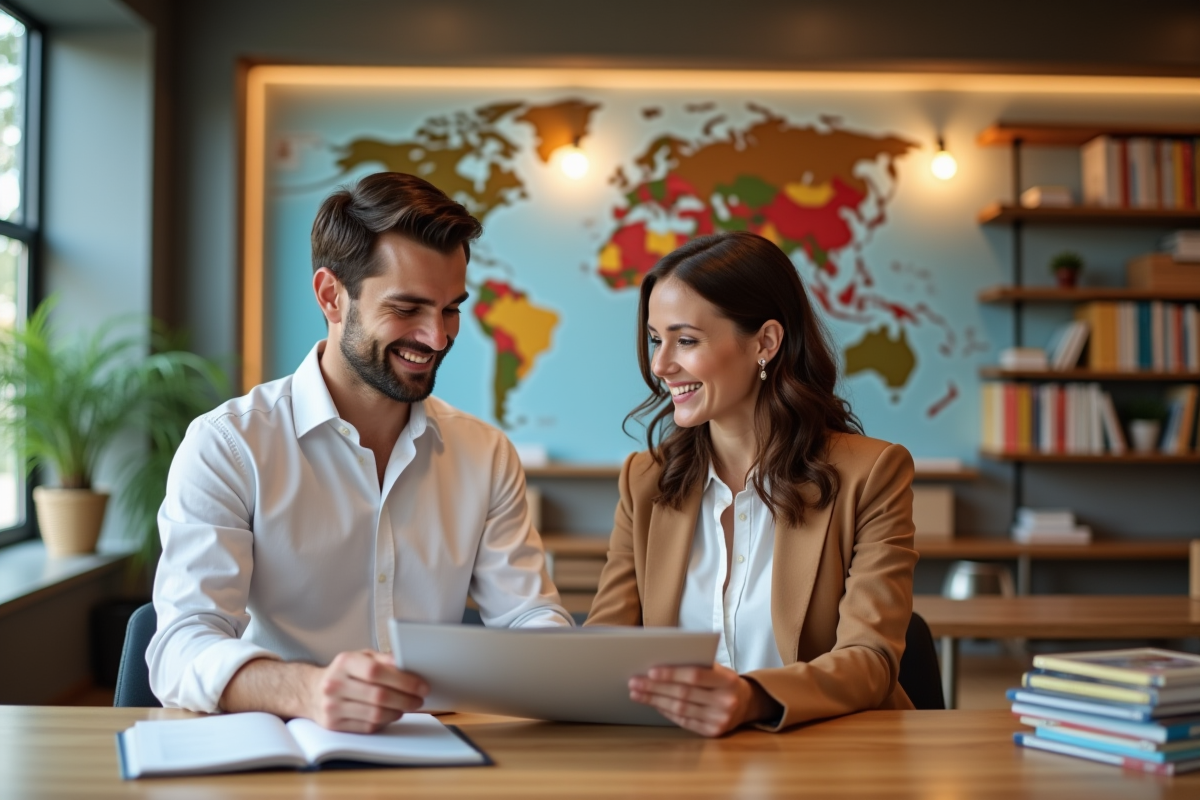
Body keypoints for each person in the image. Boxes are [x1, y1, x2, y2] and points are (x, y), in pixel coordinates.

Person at [148, 172, 571, 732]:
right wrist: (309, 690)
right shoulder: (229, 444)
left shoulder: (485, 453)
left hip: (437, 749)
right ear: (331, 296)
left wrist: (560, 659)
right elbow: (181, 646)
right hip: (281, 744)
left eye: (450, 309)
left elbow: (527, 614)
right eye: (408, 308)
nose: (437, 337)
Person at [586, 230, 917, 736]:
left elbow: (870, 659)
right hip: (678, 758)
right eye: (656, 339)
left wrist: (752, 699)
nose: (660, 365)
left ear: (765, 342)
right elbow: (605, 646)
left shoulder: (871, 474)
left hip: (830, 754)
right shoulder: (645, 481)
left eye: (685, 340)